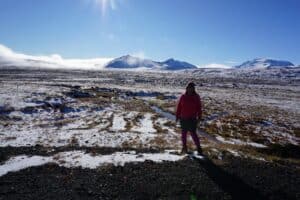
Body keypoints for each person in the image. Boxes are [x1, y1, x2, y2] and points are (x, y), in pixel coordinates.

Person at [176, 82, 203, 155]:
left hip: (192, 119)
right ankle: (184, 148)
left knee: (193, 133)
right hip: (183, 118)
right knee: (183, 134)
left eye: (192, 88)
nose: (190, 89)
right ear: (187, 88)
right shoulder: (183, 96)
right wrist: (177, 116)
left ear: (193, 89)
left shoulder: (196, 97)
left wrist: (199, 117)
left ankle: (199, 148)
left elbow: (199, 107)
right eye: (189, 88)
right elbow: (179, 107)